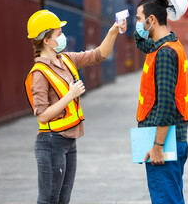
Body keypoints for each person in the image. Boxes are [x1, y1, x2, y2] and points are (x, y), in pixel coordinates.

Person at [24, 10, 126, 204]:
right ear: (46, 40)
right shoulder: (39, 73)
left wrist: (113, 31)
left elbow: (98, 55)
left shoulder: (66, 60)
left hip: (69, 140)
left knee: (63, 200)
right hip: (51, 142)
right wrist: (70, 95)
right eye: (58, 33)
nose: (62, 36)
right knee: (48, 200)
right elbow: (42, 116)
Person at [134, 0, 188, 204]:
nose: (137, 24)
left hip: (163, 142)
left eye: (139, 20)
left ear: (151, 20)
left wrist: (158, 147)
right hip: (169, 139)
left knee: (166, 200)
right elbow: (143, 44)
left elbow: (166, 104)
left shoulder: (165, 54)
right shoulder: (168, 45)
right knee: (170, 197)